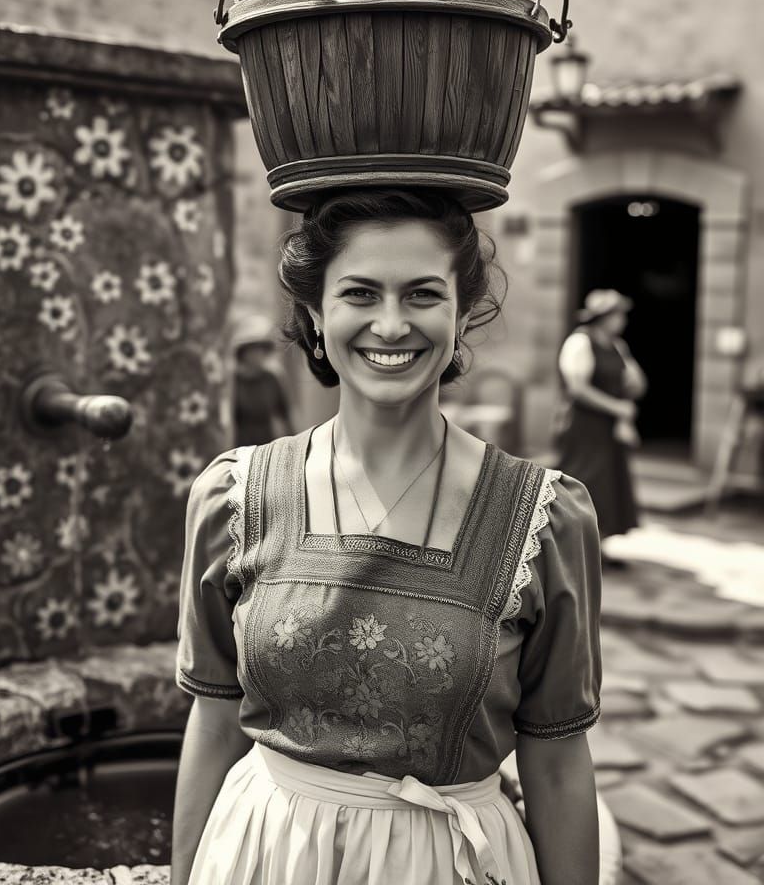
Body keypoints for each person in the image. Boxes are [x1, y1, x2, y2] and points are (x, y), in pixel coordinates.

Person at [171, 189, 603, 885]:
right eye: (361, 293)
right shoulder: (236, 498)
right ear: (317, 314)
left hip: (446, 864)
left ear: (461, 313)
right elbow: (215, 721)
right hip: (265, 855)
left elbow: (555, 764)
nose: (392, 324)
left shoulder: (545, 520)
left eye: (423, 295)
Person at [555, 289, 648, 565]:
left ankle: (597, 547)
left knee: (609, 486)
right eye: (618, 314)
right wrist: (615, 407)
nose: (622, 320)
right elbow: (578, 388)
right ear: (603, 317)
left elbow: (634, 383)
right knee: (585, 483)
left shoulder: (618, 346)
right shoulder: (579, 343)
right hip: (584, 426)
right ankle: (572, 550)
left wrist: (635, 384)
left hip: (609, 429)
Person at [232, 315, 293, 445]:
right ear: (244, 353)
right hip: (240, 447)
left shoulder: (272, 378)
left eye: (261, 349)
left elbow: (286, 415)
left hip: (267, 445)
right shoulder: (233, 381)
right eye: (254, 349)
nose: (259, 354)